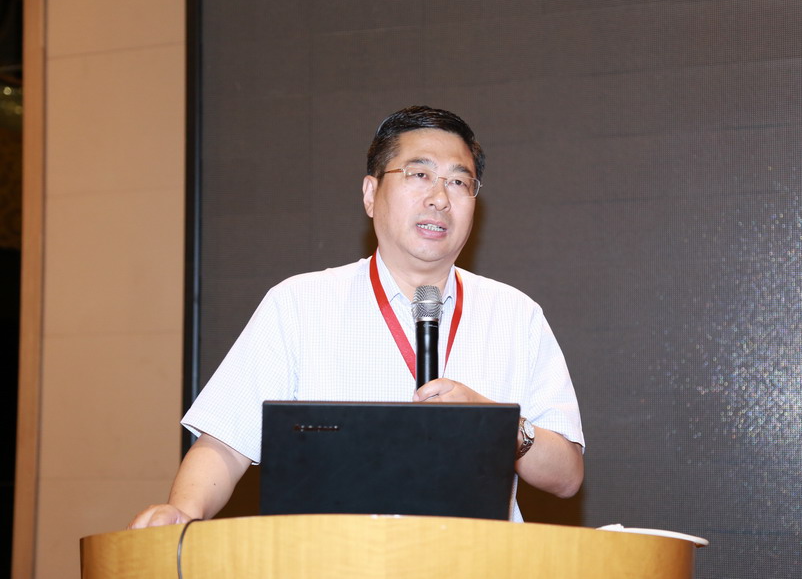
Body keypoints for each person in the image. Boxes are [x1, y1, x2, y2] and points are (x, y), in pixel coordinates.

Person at [129, 106, 584, 529]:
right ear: (370, 193)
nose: (439, 198)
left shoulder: (516, 315)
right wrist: (183, 511)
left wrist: (497, 426)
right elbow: (226, 443)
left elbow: (566, 476)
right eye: (419, 174)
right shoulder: (300, 304)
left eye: (459, 182)